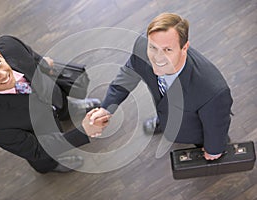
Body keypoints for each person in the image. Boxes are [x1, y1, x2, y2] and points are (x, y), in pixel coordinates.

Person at [88, 13, 233, 160]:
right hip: (169, 109)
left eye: (167, 50)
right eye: (153, 48)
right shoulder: (142, 47)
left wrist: (214, 149)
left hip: (195, 130)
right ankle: (164, 122)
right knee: (167, 110)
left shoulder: (213, 91)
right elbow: (126, 77)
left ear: (184, 48)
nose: (157, 58)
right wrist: (106, 109)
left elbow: (216, 125)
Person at [0, 35, 109, 173]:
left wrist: (42, 63)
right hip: (41, 134)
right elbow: (37, 150)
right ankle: (51, 166)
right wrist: (83, 132)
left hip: (51, 94)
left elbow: (31, 55)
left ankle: (68, 110)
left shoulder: (9, 44)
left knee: (59, 101)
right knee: (44, 159)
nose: (2, 75)